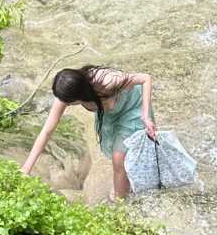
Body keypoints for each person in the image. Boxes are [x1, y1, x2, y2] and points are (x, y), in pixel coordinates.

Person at [21, 65, 156, 200]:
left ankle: (120, 201)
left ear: (79, 95)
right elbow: (47, 131)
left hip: (132, 109)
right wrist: (26, 169)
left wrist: (146, 115)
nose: (64, 104)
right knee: (118, 151)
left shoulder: (107, 81)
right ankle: (124, 183)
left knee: (118, 156)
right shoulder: (66, 94)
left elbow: (145, 78)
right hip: (109, 115)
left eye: (68, 102)